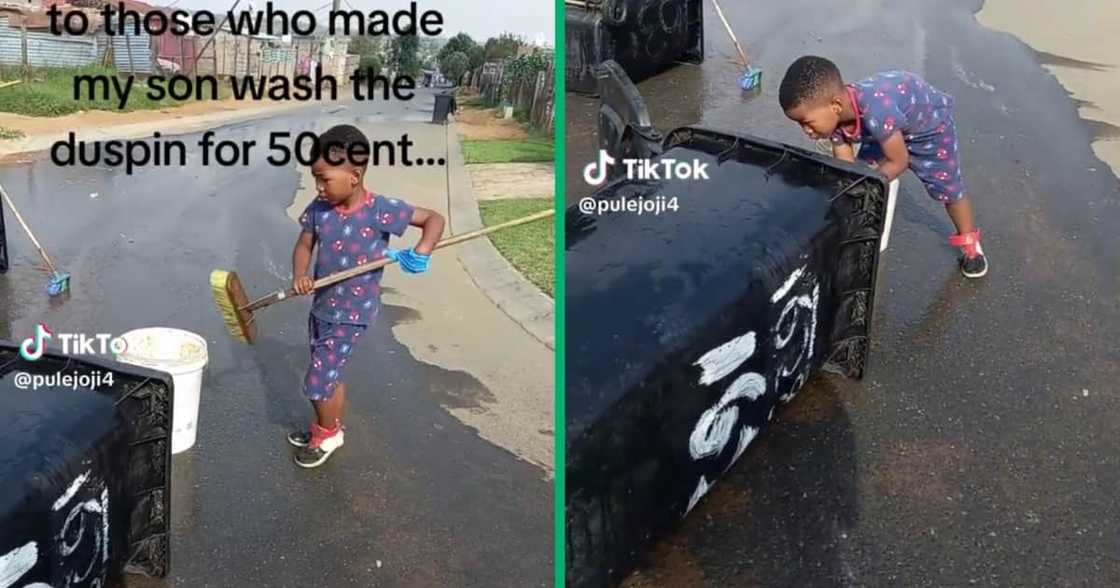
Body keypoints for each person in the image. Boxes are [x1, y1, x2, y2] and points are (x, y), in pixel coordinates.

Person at [289, 124, 445, 468]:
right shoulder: (319, 209)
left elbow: (434, 219)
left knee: (317, 381)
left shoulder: (380, 211)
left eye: (324, 179)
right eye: (315, 179)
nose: (318, 187)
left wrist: (422, 250)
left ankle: (328, 435)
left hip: (352, 313)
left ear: (354, 175)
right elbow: (304, 244)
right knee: (328, 372)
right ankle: (324, 426)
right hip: (322, 306)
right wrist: (301, 275)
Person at [779, 56, 988, 278]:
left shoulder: (876, 110)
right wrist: (848, 187)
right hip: (885, 129)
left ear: (836, 106)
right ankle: (860, 227)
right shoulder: (835, 120)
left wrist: (869, 181)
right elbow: (846, 165)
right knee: (860, 177)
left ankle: (970, 245)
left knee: (948, 188)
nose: (807, 131)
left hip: (927, 126)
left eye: (807, 123)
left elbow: (899, 161)